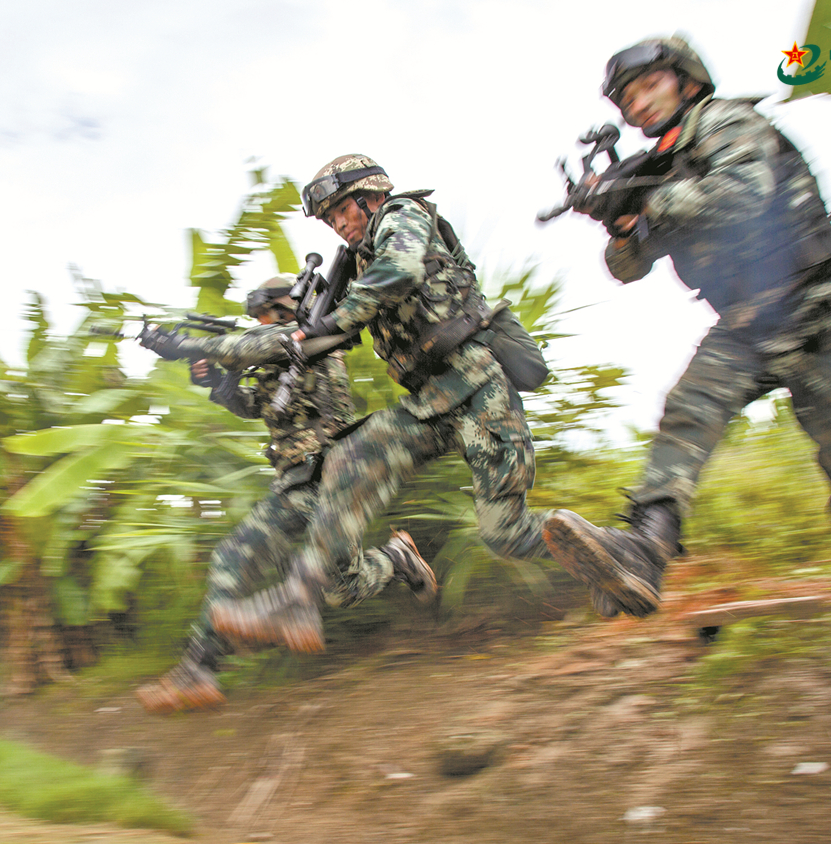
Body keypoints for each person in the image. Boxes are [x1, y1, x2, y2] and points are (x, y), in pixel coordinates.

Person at [543, 36, 831, 619]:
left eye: (649, 86)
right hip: (744, 324)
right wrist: (619, 221)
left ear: (686, 80)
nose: (639, 104)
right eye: (627, 99)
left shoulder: (728, 121)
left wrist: (643, 198)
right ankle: (644, 549)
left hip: (816, 308)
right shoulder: (653, 170)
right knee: (688, 413)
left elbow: (741, 196)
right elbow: (626, 269)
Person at [210, 155, 593, 651]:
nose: (338, 225)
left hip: (478, 387)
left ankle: (622, 548)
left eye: (342, 211)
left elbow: (401, 270)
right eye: (329, 219)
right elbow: (327, 334)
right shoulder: (360, 263)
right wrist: (255, 350)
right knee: (354, 455)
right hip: (435, 402)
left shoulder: (402, 216)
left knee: (507, 533)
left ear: (370, 196)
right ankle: (298, 600)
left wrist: (328, 323)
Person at [133, 275, 436, 714]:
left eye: (263, 314)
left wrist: (185, 345)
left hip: (330, 475)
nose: (259, 322)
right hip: (297, 480)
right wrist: (215, 383)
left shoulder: (308, 337)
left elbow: (253, 346)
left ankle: (199, 668)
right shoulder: (281, 355)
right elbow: (256, 404)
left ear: (284, 309)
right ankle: (396, 558)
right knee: (315, 580)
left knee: (262, 565)